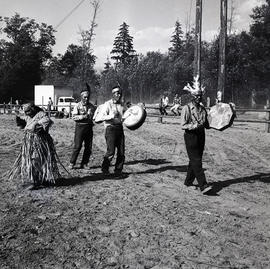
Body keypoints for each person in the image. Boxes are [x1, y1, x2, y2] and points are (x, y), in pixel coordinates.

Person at [8, 103, 61, 189]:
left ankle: (39, 180)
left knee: (37, 160)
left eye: (28, 111)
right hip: (29, 141)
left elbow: (47, 121)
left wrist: (36, 124)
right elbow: (23, 123)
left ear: (33, 109)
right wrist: (19, 120)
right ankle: (38, 179)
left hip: (40, 142)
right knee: (33, 160)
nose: (27, 113)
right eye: (25, 112)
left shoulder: (41, 114)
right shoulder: (28, 116)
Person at [181, 77, 212, 194]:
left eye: (200, 95)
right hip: (190, 136)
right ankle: (203, 185)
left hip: (201, 135)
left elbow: (207, 125)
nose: (199, 97)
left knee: (194, 160)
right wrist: (193, 126)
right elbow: (183, 125)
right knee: (197, 160)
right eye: (197, 96)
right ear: (192, 96)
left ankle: (188, 182)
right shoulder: (187, 108)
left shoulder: (203, 109)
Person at [98, 86, 126, 175]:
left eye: (120, 93)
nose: (119, 95)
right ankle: (105, 169)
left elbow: (127, 114)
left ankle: (118, 170)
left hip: (120, 129)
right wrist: (111, 116)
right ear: (113, 94)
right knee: (111, 151)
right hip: (110, 129)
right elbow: (101, 117)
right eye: (117, 93)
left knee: (121, 152)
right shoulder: (107, 104)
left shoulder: (122, 104)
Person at [69, 85, 96, 170]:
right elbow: (74, 117)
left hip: (89, 128)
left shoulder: (91, 106)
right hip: (80, 127)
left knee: (88, 147)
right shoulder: (77, 106)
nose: (86, 99)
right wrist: (83, 116)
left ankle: (84, 163)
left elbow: (95, 116)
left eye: (87, 97)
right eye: (84, 97)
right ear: (81, 97)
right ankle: (72, 163)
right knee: (77, 146)